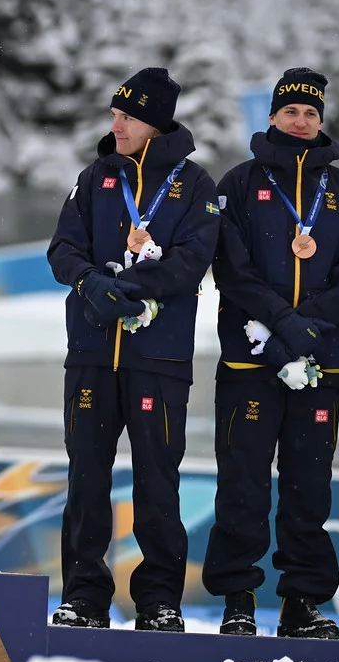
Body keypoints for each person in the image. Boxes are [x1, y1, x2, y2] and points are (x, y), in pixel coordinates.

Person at [45, 67, 219, 630]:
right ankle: (84, 596)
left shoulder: (195, 185)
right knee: (87, 479)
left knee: (157, 482)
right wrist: (93, 284)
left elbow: (193, 260)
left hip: (159, 359)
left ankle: (159, 600)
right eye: (115, 114)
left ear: (153, 121)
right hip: (94, 353)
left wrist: (130, 290)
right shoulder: (96, 177)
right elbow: (63, 249)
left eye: (125, 116)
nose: (114, 124)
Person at [202, 67, 339, 639]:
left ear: (321, 122)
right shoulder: (240, 182)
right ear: (272, 116)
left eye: (311, 113)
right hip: (252, 357)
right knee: (243, 482)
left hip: (321, 356)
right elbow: (232, 268)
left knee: (309, 485)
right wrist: (283, 325)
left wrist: (310, 327)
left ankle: (303, 602)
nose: (301, 121)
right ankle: (238, 597)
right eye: (291, 111)